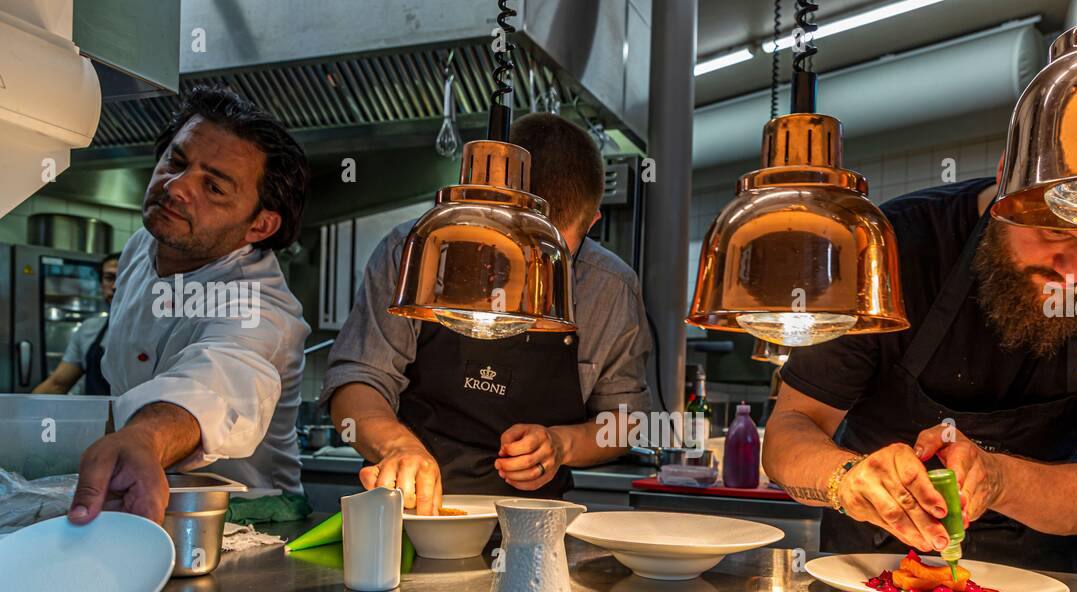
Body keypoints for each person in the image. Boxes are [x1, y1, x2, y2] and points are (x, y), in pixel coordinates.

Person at [762, 167, 1077, 572]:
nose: (1075, 275)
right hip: (869, 565)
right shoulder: (895, 241)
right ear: (1008, 181)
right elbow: (789, 433)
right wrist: (848, 478)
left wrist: (1000, 479)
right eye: (1056, 234)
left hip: (1046, 583)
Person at [323, 112, 651, 513]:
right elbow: (356, 380)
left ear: (593, 222)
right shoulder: (413, 251)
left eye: (551, 256)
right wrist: (397, 446)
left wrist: (561, 445)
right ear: (481, 203)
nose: (527, 274)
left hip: (533, 526)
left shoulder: (611, 288)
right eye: (509, 247)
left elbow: (624, 423)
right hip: (410, 511)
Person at [68, 85, 311, 526]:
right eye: (176, 163)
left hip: (245, 520)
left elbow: (220, 379)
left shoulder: (260, 308)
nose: (176, 188)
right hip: (139, 499)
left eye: (213, 187)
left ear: (260, 224)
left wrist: (143, 438)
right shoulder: (143, 245)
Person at [34, 252, 119, 395]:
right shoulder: (89, 329)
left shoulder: (156, 328)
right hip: (96, 416)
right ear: (100, 285)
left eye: (124, 277)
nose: (115, 286)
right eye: (109, 278)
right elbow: (57, 385)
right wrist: (20, 411)